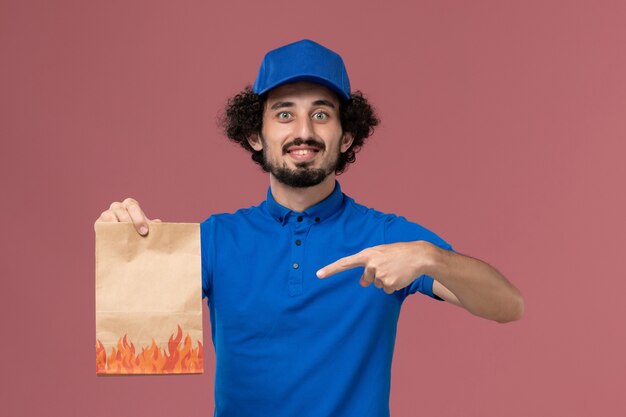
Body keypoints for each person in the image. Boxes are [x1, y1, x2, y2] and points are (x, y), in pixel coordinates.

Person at [95, 39, 523, 417]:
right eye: (284, 114)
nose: (303, 132)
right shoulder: (216, 240)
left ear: (347, 136)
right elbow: (133, 335)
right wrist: (120, 245)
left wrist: (431, 257)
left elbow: (509, 306)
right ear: (255, 135)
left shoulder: (389, 236)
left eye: (321, 114)